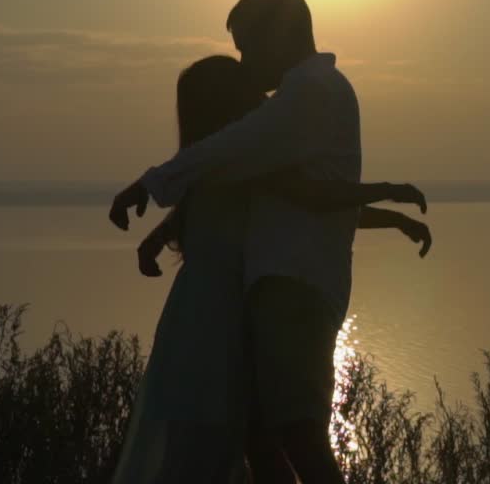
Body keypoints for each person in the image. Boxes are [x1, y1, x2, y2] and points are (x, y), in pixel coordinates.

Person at [111, 54, 430, 483]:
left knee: (212, 443)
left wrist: (151, 242)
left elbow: (201, 213)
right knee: (241, 441)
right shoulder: (244, 168)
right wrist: (389, 197)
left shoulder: (208, 169)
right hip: (223, 316)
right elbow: (314, 197)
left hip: (192, 315)